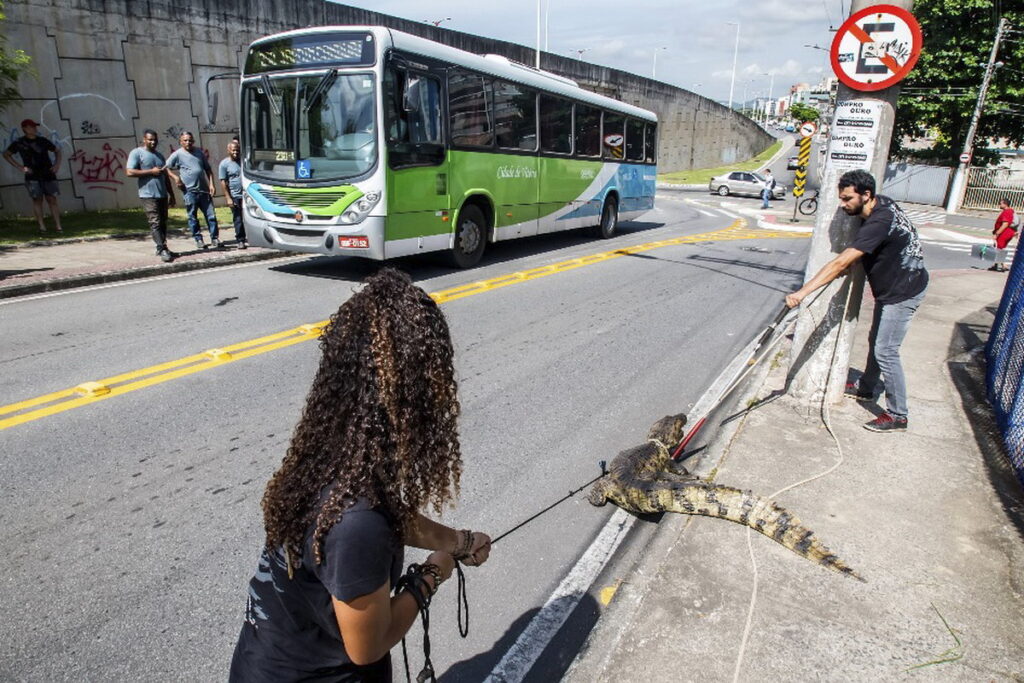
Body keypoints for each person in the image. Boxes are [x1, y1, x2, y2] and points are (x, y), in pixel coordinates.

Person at [229, 268, 491, 681]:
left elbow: (390, 515)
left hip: (264, 658)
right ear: (414, 395)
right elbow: (367, 646)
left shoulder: (332, 450)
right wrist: (433, 573)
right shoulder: (357, 523)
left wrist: (458, 542)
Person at [785, 169, 929, 433]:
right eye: (841, 198)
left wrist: (801, 293)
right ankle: (867, 387)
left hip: (904, 290)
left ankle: (898, 415)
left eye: (847, 199)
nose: (843, 204)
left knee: (886, 350)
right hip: (894, 287)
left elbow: (840, 261)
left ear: (866, 195)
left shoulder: (879, 221)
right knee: (876, 340)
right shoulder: (881, 204)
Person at [3, 118, 64, 234]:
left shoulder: (43, 141)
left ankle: (58, 226)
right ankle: (42, 226)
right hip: (32, 176)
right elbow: (6, 154)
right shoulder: (19, 143)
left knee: (52, 199)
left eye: (35, 126)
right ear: (25, 128)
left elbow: (57, 151)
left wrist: (57, 164)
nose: (35, 129)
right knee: (37, 200)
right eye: (31, 127)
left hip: (48, 173)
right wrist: (20, 167)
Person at [125, 129, 177, 262]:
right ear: (144, 139)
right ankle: (161, 247)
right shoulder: (137, 153)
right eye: (150, 139)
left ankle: (162, 247)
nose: (153, 142)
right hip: (147, 194)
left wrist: (172, 194)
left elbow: (165, 176)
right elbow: (129, 172)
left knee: (163, 222)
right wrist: (150, 171)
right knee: (155, 221)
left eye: (155, 139)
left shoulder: (159, 156)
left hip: (162, 194)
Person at [166, 131, 221, 249]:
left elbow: (208, 170)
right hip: (189, 192)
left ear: (193, 141)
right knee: (193, 217)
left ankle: (215, 238)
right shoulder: (177, 154)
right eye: (185, 140)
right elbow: (166, 168)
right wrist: (176, 178)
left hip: (204, 191)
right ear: (180, 142)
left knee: (211, 216)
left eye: (190, 140)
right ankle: (198, 239)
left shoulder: (199, 153)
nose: (188, 142)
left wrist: (212, 185)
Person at [218, 140, 246, 248]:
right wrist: (228, 198)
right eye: (233, 150)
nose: (236, 153)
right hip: (235, 196)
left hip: (246, 195)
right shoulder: (224, 164)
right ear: (228, 150)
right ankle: (240, 240)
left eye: (238, 150)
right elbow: (223, 182)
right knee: (238, 219)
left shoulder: (244, 161)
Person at [990, 197, 1016, 273]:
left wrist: (997, 233)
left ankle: (1004, 265)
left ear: (1005, 204)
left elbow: (1005, 224)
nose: (999, 204)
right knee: (998, 248)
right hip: (1008, 233)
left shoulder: (1007, 212)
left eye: (1001, 203)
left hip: (1004, 233)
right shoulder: (1010, 211)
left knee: (999, 248)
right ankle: (995, 265)